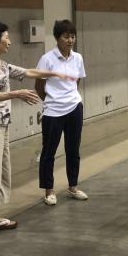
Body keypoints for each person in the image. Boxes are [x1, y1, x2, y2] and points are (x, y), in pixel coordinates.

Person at [0, 20, 76, 241]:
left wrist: (55, 74)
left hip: (0, 124)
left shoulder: (2, 64)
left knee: (1, 170)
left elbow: (28, 71)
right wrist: (16, 94)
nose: (9, 42)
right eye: (6, 38)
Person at [35, 20, 88, 205]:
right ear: (57, 38)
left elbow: (76, 81)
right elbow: (39, 85)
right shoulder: (47, 59)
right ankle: (49, 191)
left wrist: (69, 96)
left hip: (74, 107)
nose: (70, 40)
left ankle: (73, 187)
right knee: (48, 152)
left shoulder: (78, 58)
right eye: (66, 36)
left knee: (73, 149)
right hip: (53, 111)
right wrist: (52, 100)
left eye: (72, 36)